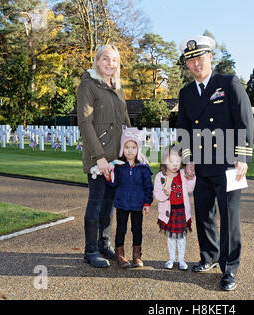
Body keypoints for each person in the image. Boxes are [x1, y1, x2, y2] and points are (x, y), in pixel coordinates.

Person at [176, 35, 254, 291]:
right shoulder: (186, 93)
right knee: (204, 213)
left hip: (229, 163)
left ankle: (229, 269)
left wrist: (242, 156)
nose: (196, 63)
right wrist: (187, 159)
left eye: (200, 57)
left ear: (210, 57)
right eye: (191, 60)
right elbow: (183, 128)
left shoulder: (228, 83)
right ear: (187, 65)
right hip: (201, 164)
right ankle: (209, 256)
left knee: (229, 216)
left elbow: (244, 120)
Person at [76, 44, 131, 268]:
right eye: (106, 59)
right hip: (98, 159)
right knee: (96, 202)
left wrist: (132, 147)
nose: (111, 63)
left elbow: (126, 121)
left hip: (117, 157)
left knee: (109, 204)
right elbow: (85, 123)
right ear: (97, 61)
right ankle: (90, 251)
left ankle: (104, 243)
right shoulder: (88, 86)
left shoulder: (117, 87)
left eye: (115, 60)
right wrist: (98, 157)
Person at [107, 126, 153, 268]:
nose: (130, 150)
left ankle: (136, 255)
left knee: (136, 229)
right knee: (121, 228)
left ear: (138, 148)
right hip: (122, 203)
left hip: (137, 204)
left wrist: (147, 202)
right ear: (122, 149)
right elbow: (113, 184)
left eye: (133, 147)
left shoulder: (143, 167)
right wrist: (109, 176)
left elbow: (148, 186)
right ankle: (120, 254)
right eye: (127, 147)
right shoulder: (119, 166)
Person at [154, 146, 196, 271]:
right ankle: (171, 258)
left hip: (181, 211)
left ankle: (182, 259)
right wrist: (165, 193)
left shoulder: (182, 174)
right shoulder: (160, 176)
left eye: (178, 162)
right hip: (169, 212)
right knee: (171, 237)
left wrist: (192, 177)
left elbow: (190, 188)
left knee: (182, 237)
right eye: (171, 162)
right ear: (164, 161)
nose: (175, 165)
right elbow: (157, 194)